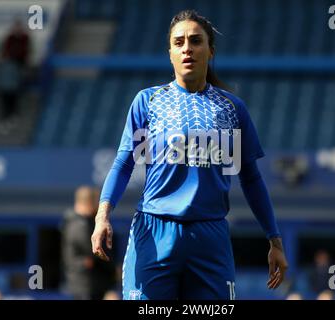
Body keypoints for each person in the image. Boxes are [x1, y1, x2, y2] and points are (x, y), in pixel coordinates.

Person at [91, 10, 288, 300]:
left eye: (196, 41)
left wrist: (275, 240)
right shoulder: (147, 101)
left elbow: (251, 179)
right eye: (179, 42)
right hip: (154, 231)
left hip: (210, 236)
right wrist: (102, 216)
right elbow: (123, 163)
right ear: (169, 53)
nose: (187, 48)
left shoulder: (232, 109)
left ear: (210, 52)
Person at [62, 186, 118, 300]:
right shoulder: (80, 224)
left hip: (89, 284)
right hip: (87, 285)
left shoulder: (80, 221)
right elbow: (95, 251)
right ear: (89, 203)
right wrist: (113, 269)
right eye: (97, 202)